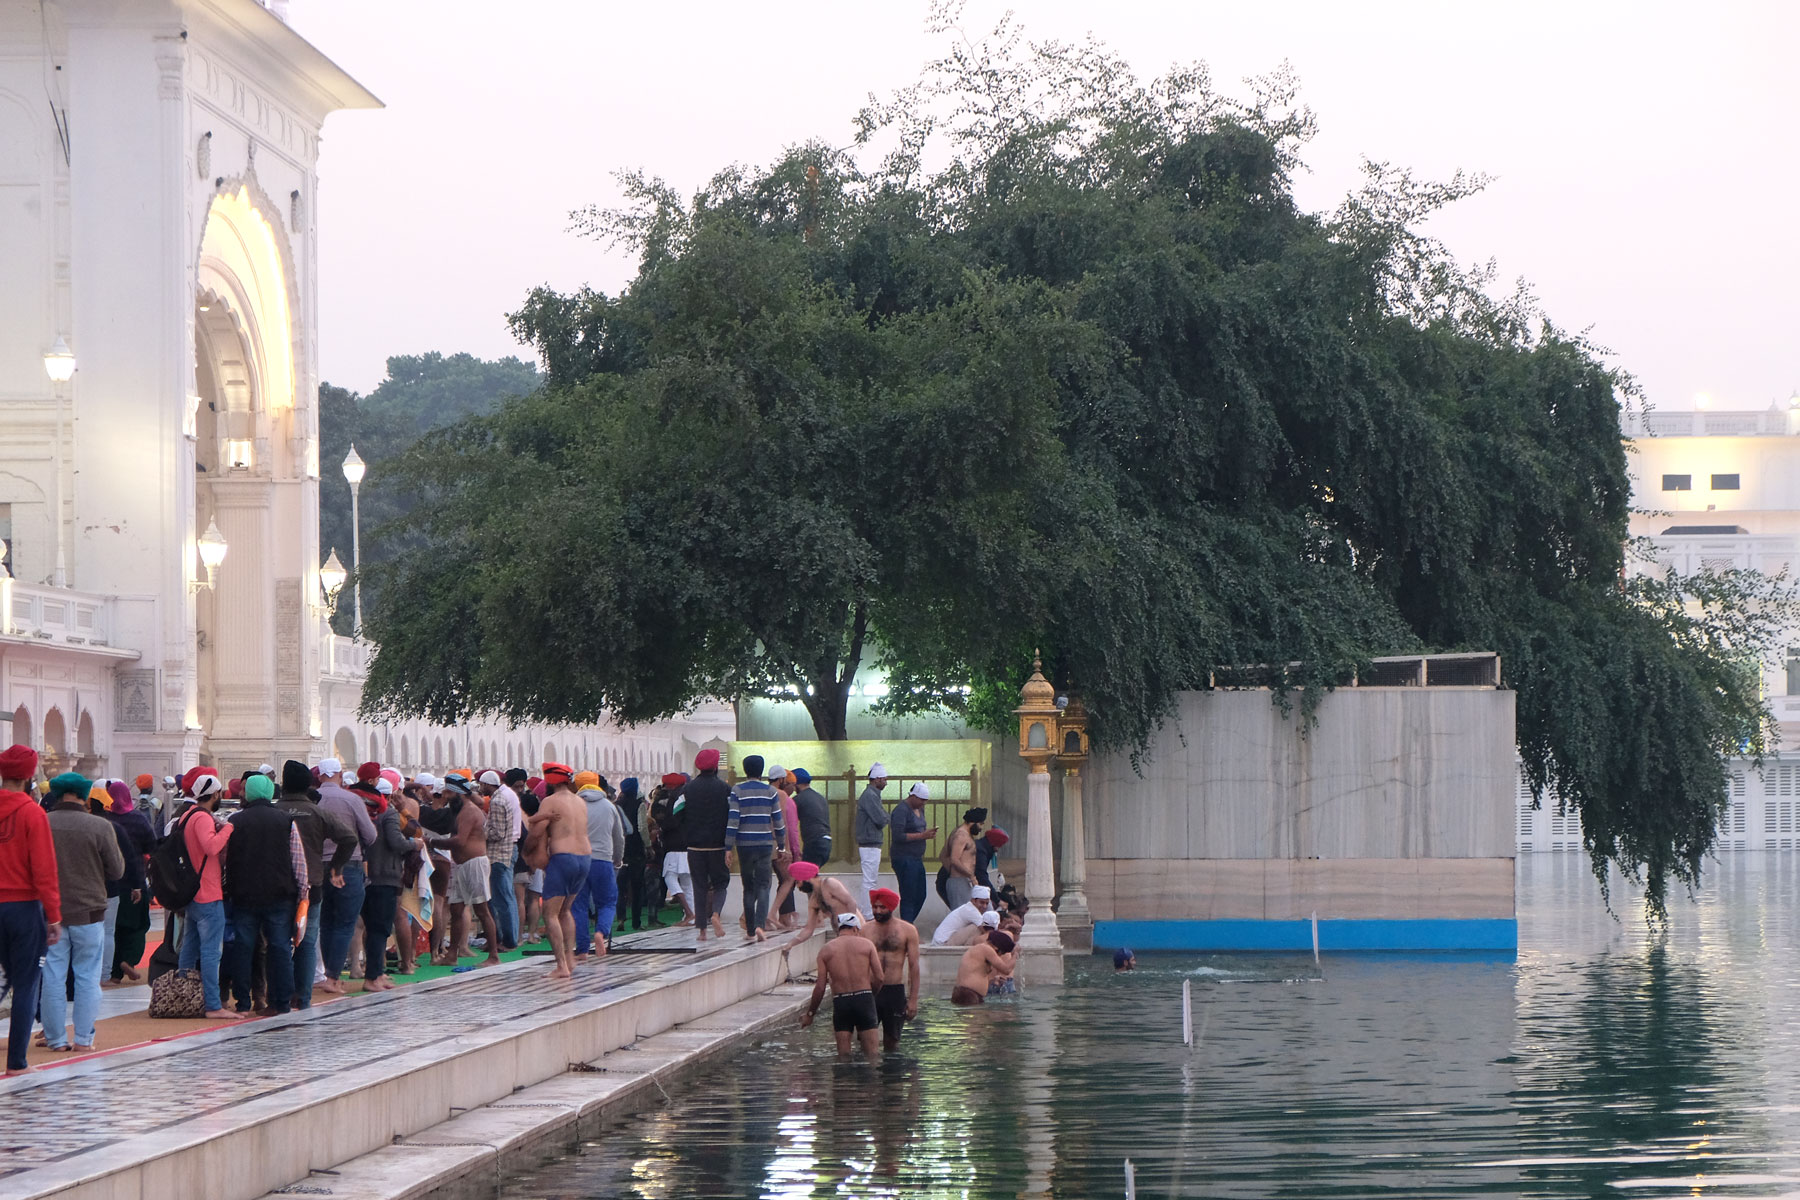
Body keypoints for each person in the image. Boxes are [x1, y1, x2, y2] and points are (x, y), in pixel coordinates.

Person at [41, 772, 124, 1052]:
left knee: (53, 975)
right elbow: (117, 870)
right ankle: (84, 1039)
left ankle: (55, 1039)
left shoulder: (43, 823)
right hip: (89, 912)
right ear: (85, 794)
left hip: (50, 913)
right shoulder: (99, 827)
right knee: (87, 977)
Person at [224, 773, 306, 1016]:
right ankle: (280, 1002)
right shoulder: (285, 820)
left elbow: (225, 860)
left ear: (247, 793)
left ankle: (243, 1001)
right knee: (280, 947)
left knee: (243, 947)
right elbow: (297, 860)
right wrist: (303, 892)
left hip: (244, 895)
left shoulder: (234, 821)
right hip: (279, 895)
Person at [0, 745, 60, 1074]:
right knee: (25, 984)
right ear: (29, 776)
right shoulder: (32, 814)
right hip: (23, 909)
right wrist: (53, 916)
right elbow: (44, 871)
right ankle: (17, 1063)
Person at [276, 760, 355, 1007]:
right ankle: (304, 996)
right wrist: (336, 867)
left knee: (280, 941)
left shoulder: (275, 811)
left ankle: (282, 995)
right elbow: (349, 838)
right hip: (312, 884)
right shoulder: (316, 813)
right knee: (307, 942)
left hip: (278, 885)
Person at [177, 774, 240, 1019]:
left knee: (189, 948)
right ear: (214, 795)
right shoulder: (202, 818)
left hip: (191, 892)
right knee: (212, 951)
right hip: (207, 892)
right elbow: (211, 847)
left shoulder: (186, 815)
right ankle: (213, 1005)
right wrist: (228, 829)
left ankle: (183, 994)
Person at [430, 773, 502, 970]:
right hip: (462, 865)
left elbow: (460, 841)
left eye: (447, 792)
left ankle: (494, 955)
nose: (444, 795)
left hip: (474, 864)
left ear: (456, 793)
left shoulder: (469, 811)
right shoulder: (462, 809)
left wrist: (432, 841)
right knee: (456, 909)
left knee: (482, 909)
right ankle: (452, 954)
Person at [316, 760, 377, 991]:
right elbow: (370, 835)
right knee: (344, 924)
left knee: (325, 922)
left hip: (316, 866)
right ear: (340, 775)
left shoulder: (313, 799)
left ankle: (323, 975)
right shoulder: (351, 800)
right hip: (347, 866)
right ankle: (332, 977)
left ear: (320, 776)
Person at [527, 763, 590, 979]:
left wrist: (529, 851)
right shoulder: (580, 801)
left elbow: (537, 832)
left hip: (563, 858)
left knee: (551, 913)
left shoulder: (549, 801)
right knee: (566, 910)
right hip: (585, 858)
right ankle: (571, 958)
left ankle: (561, 965)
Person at [800, 912, 885, 1057]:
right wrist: (871, 995)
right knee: (872, 1056)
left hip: (841, 1002)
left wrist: (810, 1014)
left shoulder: (826, 950)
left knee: (843, 1056)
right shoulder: (867, 945)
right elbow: (880, 977)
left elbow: (820, 987)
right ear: (856, 929)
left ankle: (843, 1080)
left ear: (839, 929)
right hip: (864, 998)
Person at [361, 777, 414, 991]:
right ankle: (372, 977)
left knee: (373, 927)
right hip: (385, 876)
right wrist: (415, 844)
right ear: (390, 795)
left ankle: (377, 973)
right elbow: (396, 841)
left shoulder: (367, 812)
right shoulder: (389, 813)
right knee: (380, 928)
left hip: (368, 875)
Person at [725, 757, 787, 942]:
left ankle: (750, 930)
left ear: (745, 770)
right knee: (763, 885)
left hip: (744, 844)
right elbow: (778, 820)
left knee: (748, 887)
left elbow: (733, 820)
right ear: (762, 771)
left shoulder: (737, 791)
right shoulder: (770, 791)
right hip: (765, 844)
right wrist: (782, 845)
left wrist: (728, 847)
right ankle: (761, 925)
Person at [677, 749, 733, 941]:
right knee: (721, 883)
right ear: (716, 766)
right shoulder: (725, 789)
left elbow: (676, 812)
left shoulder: (688, 789)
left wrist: (687, 829)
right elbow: (733, 815)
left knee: (699, 886)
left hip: (695, 847)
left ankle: (702, 931)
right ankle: (716, 913)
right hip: (718, 846)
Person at [103, 780, 155, 985]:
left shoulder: (105, 820)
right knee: (138, 926)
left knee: (112, 929)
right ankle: (129, 959)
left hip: (110, 883)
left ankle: (114, 973)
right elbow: (151, 844)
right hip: (135, 881)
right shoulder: (137, 819)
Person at [574, 771, 624, 957]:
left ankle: (582, 949)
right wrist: (618, 859)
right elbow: (618, 837)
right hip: (603, 860)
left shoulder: (574, 805)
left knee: (578, 905)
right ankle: (601, 932)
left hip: (578, 859)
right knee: (607, 902)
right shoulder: (609, 806)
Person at [868, 887, 921, 1052]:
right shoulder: (865, 930)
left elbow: (914, 966)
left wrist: (913, 1000)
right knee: (867, 1041)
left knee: (892, 1042)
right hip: (871, 991)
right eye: (875, 907)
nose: (878, 911)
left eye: (882, 907)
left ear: (891, 908)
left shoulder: (908, 930)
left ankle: (892, 1075)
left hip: (894, 991)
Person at [477, 770, 523, 950]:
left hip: (499, 853)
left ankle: (508, 940)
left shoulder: (497, 800)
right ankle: (509, 938)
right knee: (508, 897)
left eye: (482, 785)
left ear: (488, 784)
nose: (481, 789)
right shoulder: (508, 794)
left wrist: (480, 833)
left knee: (501, 899)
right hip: (509, 849)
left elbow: (497, 832)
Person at [781, 861, 861, 950]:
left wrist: (852, 928)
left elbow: (851, 903)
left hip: (858, 933)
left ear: (805, 877)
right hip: (842, 936)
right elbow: (808, 930)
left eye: (797, 882)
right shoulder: (814, 901)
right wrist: (791, 944)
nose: (797, 887)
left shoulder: (829, 883)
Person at [887, 782, 935, 925]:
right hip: (904, 858)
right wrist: (921, 836)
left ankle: (907, 925)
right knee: (909, 895)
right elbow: (898, 836)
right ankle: (907, 927)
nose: (923, 803)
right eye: (921, 800)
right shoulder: (901, 810)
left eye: (925, 801)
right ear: (913, 796)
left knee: (921, 894)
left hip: (916, 857)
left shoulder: (920, 809)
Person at [652, 773, 693, 927]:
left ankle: (689, 912)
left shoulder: (671, 799)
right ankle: (691, 917)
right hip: (688, 845)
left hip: (674, 846)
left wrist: (661, 827)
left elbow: (669, 821)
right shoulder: (689, 797)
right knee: (688, 884)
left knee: (670, 877)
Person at [614, 777, 651, 931]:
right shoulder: (639, 805)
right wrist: (648, 846)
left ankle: (621, 918)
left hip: (621, 850)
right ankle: (636, 921)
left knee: (620, 887)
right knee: (636, 887)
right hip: (636, 850)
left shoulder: (616, 806)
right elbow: (642, 827)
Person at [853, 763, 890, 914]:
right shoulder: (870, 796)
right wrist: (887, 816)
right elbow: (881, 819)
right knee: (870, 880)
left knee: (871, 879)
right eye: (884, 779)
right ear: (877, 779)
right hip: (869, 843)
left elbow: (882, 817)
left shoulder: (872, 795)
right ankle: (867, 913)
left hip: (870, 842)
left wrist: (885, 816)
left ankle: (867, 911)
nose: (886, 783)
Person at [951, 928, 1017, 1006]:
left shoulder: (978, 949)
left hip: (965, 993)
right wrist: (1015, 954)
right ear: (996, 948)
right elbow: (1006, 970)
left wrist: (993, 980)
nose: (999, 956)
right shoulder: (986, 949)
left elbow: (976, 974)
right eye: (1001, 953)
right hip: (968, 995)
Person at [939, 807, 984, 912]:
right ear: (972, 822)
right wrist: (970, 876)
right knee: (962, 916)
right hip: (960, 882)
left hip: (964, 881)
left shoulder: (963, 834)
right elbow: (954, 859)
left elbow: (942, 855)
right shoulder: (961, 835)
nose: (981, 828)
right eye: (980, 824)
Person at [792, 768, 831, 868]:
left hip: (813, 843)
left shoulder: (798, 799)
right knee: (811, 877)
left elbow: (790, 823)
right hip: (826, 842)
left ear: (796, 783)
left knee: (805, 878)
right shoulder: (820, 798)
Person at [975, 825, 1008, 891]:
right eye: (998, 845)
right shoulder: (981, 852)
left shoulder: (983, 848)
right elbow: (982, 876)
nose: (998, 849)